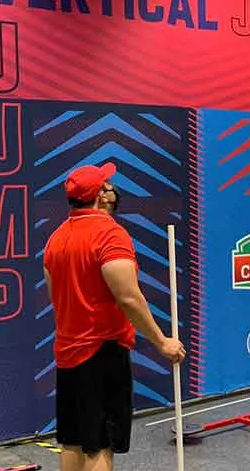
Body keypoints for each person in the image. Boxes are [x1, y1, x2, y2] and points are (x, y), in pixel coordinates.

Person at [43, 163, 186, 471]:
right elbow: (129, 298)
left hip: (68, 351)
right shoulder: (110, 235)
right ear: (101, 196)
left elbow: (56, 297)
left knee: (74, 440)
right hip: (101, 351)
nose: (113, 189)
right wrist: (163, 343)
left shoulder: (56, 238)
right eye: (108, 184)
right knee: (100, 444)